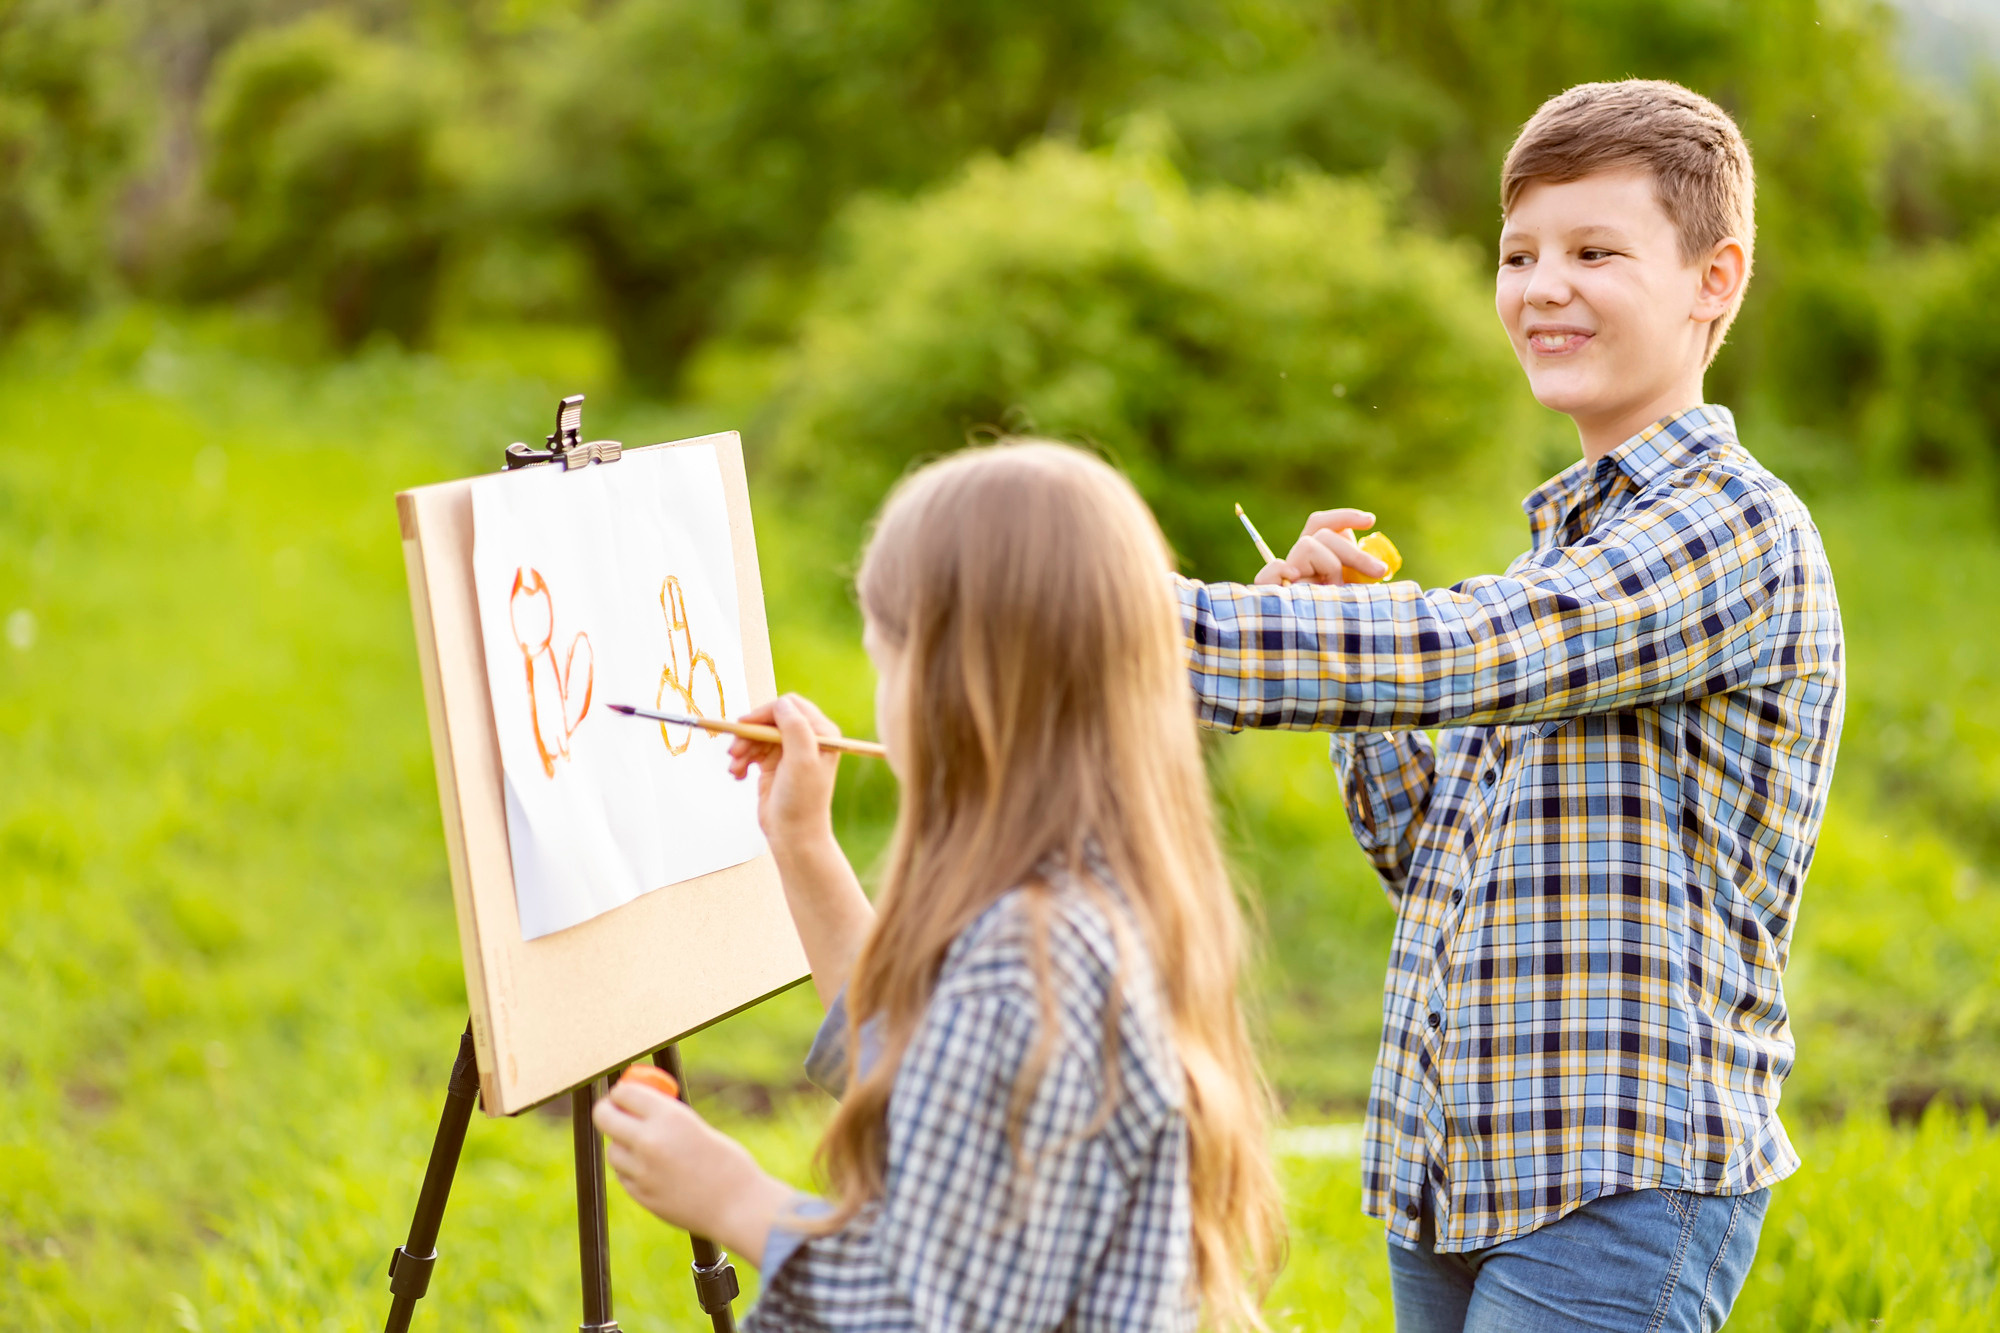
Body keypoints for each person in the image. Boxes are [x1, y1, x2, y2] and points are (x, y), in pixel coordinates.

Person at [1176, 80, 1844, 1331]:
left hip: (1617, 1177)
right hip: (1457, 1163)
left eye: (1594, 253)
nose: (1542, 287)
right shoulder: (1563, 551)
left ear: (1712, 280)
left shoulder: (1728, 526)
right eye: (1517, 254)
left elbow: (1468, 646)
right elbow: (1434, 862)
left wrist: (1108, 614)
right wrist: (1350, 667)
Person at [595, 442, 1286, 1330]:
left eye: (885, 661)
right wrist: (802, 845)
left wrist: (736, 1198)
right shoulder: (1092, 895)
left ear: (953, 687)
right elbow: (928, 1076)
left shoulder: (1026, 963)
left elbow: (929, 1312)